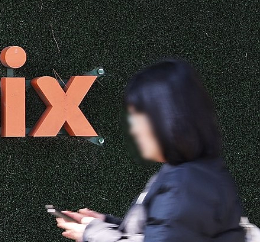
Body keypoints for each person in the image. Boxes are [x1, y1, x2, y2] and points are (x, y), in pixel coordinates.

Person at [55, 59, 245, 242]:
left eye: (138, 117)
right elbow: (165, 231)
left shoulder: (186, 185)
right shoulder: (186, 175)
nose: (134, 129)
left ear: (166, 117)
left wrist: (93, 233)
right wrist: (106, 224)